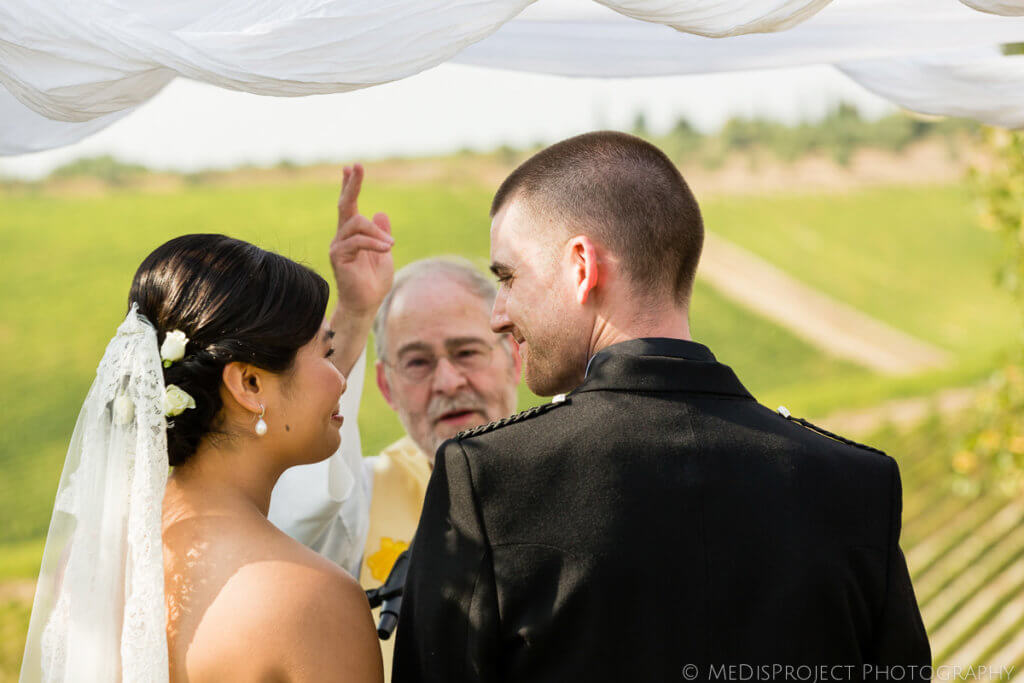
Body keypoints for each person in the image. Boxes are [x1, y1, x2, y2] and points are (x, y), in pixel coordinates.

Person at [393, 131, 932, 682]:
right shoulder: (859, 483)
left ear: (581, 267)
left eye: (508, 277)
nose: (498, 313)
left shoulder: (487, 478)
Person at [21, 234, 384, 683]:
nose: (340, 380)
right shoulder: (312, 599)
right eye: (326, 353)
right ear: (249, 384)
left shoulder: (98, 558)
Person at [268, 167, 522, 680]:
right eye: (418, 363)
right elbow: (294, 509)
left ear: (514, 356)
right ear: (385, 387)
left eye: (467, 351)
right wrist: (355, 313)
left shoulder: (572, 473)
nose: (448, 381)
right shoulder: (357, 497)